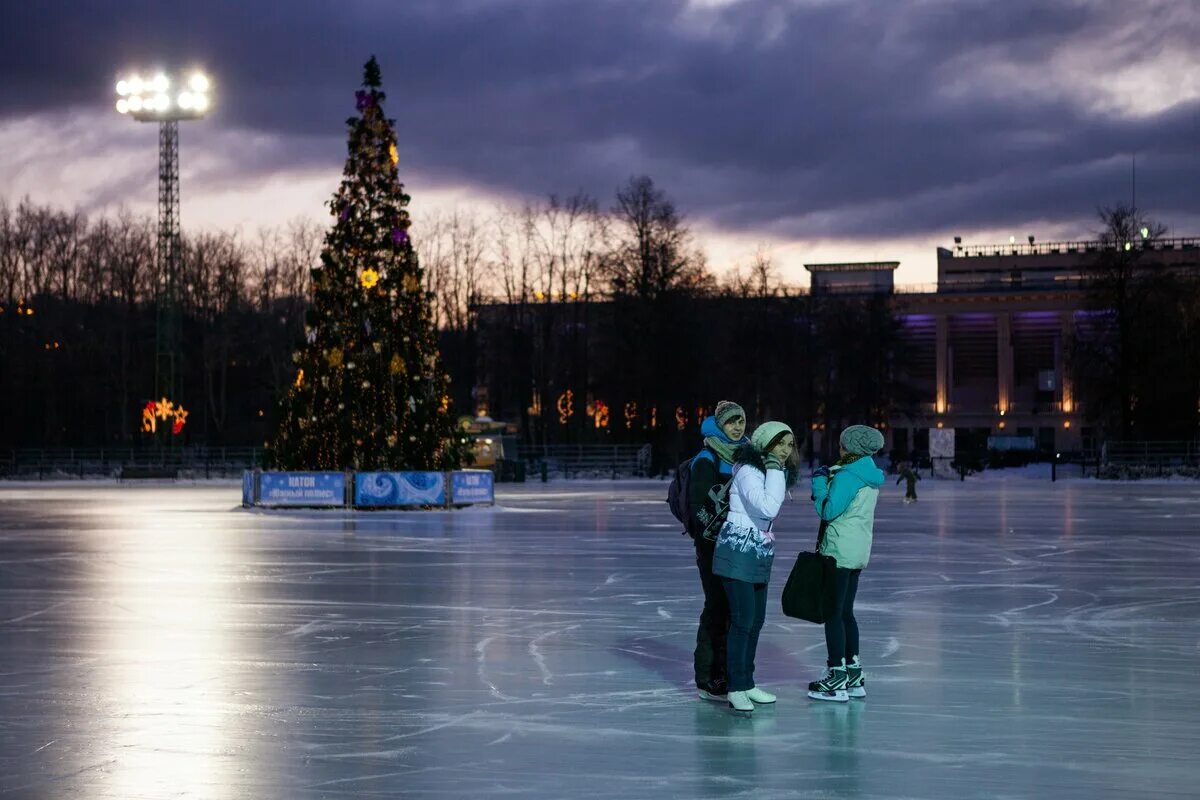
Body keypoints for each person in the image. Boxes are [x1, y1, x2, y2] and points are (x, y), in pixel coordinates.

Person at [712, 421, 799, 713]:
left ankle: (747, 682)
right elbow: (767, 508)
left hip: (758, 550)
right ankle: (736, 686)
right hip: (737, 549)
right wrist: (775, 470)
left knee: (756, 620)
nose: (786, 450)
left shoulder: (768, 470)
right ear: (765, 444)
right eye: (780, 443)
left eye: (790, 444)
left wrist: (776, 470)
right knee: (743, 621)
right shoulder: (750, 471)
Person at [807, 425, 886, 702]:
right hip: (857, 550)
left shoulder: (848, 476)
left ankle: (836, 677)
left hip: (839, 551)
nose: (838, 449)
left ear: (850, 448)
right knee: (846, 613)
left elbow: (828, 509)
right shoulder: (869, 474)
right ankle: (853, 673)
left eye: (842, 444)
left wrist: (818, 483)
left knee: (833, 613)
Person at [688, 401, 749, 703]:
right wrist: (713, 537)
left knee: (734, 609)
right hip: (713, 546)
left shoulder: (746, 456)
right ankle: (708, 675)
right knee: (717, 606)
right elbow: (699, 507)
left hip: (741, 544)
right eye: (731, 422)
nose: (738, 427)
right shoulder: (707, 458)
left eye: (741, 421)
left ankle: (728, 672)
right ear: (720, 425)